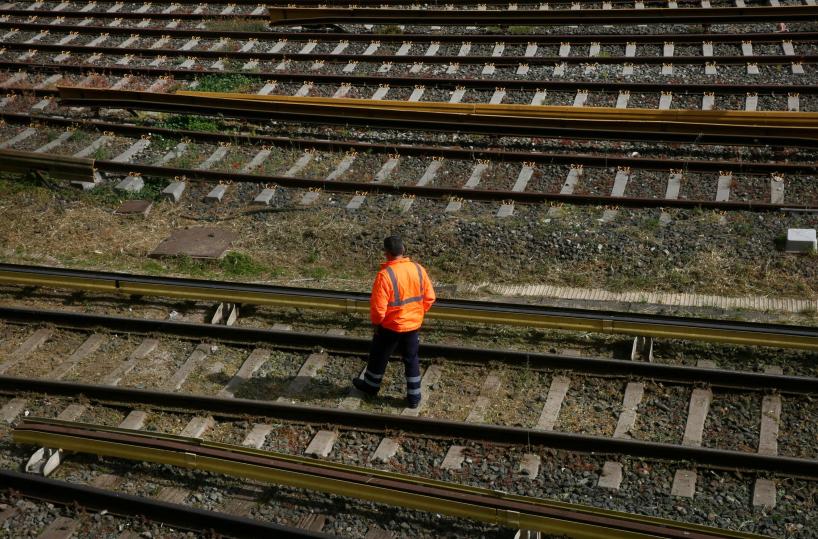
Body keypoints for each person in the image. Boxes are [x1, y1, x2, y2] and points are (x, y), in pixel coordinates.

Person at [352, 235, 436, 408]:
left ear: (387, 253)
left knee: (378, 356)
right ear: (403, 250)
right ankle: (414, 397)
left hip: (390, 326)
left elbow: (378, 307)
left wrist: (377, 323)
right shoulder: (418, 269)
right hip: (412, 325)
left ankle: (371, 386)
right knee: (411, 359)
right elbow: (429, 297)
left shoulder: (385, 275)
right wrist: (417, 313)